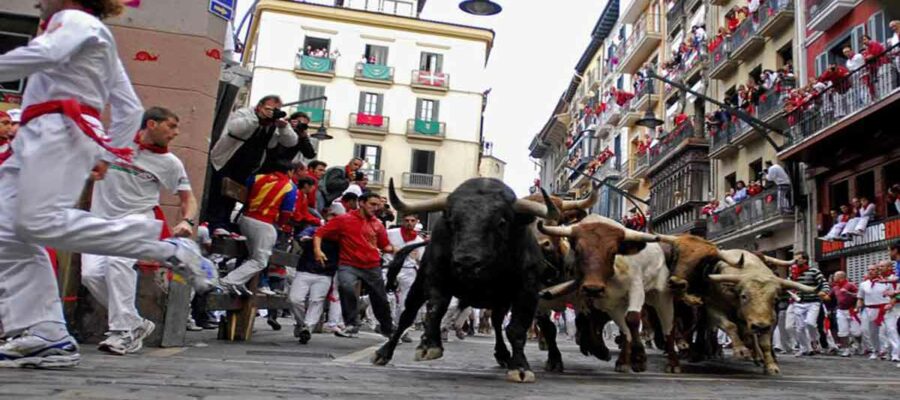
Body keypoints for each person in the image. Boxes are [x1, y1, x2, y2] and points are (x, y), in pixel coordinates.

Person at [0, 0, 215, 368]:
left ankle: (168, 249)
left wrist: (104, 150)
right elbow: (130, 108)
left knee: (36, 223)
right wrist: (108, 151)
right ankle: (46, 332)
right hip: (43, 138)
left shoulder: (75, 20)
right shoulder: (96, 33)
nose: (37, 2)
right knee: (7, 236)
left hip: (57, 133)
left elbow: (44, 53)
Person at [80, 106, 197, 355]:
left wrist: (187, 221)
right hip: (100, 221)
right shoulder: (113, 145)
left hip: (138, 220)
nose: (175, 133)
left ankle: (122, 333)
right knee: (90, 275)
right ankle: (134, 323)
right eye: (171, 126)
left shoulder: (170, 163)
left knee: (117, 263)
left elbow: (188, 198)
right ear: (152, 124)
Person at [207, 95, 298, 235]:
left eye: (276, 109)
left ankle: (224, 224)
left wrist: (284, 127)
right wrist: (258, 117)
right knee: (219, 192)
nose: (272, 112)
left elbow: (291, 142)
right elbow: (234, 128)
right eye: (269, 108)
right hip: (227, 160)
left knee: (234, 195)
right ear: (260, 106)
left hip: (248, 166)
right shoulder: (245, 113)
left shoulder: (274, 125)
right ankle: (214, 224)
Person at [313, 192, 395, 338]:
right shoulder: (344, 219)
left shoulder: (378, 224)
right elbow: (320, 233)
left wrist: (397, 249)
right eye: (372, 204)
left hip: (372, 265)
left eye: (377, 205)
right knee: (346, 287)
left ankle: (387, 328)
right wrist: (318, 251)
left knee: (380, 297)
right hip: (349, 263)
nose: (375, 208)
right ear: (361, 203)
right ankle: (351, 323)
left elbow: (385, 245)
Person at [218, 160, 298, 294]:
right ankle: (228, 281)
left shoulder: (257, 177)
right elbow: (286, 212)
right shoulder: (290, 186)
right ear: (290, 172)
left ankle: (239, 282)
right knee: (260, 261)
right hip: (264, 223)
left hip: (245, 219)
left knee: (252, 255)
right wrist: (279, 225)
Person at [289, 223, 338, 344]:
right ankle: (301, 323)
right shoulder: (314, 230)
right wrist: (306, 239)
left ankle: (307, 328)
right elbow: (301, 237)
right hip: (304, 270)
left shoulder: (343, 237)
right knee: (294, 299)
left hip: (325, 274)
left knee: (316, 301)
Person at [385, 214, 424, 342]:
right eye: (406, 220)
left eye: (412, 221)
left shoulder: (419, 240)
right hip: (389, 268)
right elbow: (380, 244)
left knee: (406, 302)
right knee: (386, 298)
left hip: (408, 271)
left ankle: (401, 329)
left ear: (416, 222)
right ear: (402, 221)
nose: (409, 223)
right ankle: (386, 324)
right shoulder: (390, 233)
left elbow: (420, 259)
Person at [789, 252, 830, 356]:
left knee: (810, 323)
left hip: (813, 302)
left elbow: (825, 284)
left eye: (798, 259)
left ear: (805, 260)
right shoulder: (793, 273)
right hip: (799, 302)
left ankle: (814, 340)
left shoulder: (814, 271)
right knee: (799, 328)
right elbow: (788, 285)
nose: (795, 261)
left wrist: (823, 292)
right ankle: (803, 348)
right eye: (795, 259)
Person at [858, 264, 892, 360]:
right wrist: (858, 304)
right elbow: (860, 297)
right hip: (869, 310)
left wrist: (890, 305)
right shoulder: (863, 284)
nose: (871, 271)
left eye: (873, 269)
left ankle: (885, 351)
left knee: (884, 332)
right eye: (869, 270)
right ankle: (875, 351)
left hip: (883, 309)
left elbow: (892, 296)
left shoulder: (886, 282)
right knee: (871, 332)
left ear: (878, 271)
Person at [829, 271, 860, 357]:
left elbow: (859, 295)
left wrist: (848, 293)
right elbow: (828, 297)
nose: (833, 278)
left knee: (856, 332)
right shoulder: (835, 287)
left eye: (835, 276)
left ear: (841, 277)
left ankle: (860, 345)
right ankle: (846, 349)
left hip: (851, 310)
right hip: (841, 311)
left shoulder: (851, 285)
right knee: (842, 332)